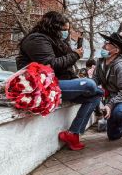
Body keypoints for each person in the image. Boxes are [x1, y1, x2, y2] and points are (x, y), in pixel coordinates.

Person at [16, 11, 103, 151]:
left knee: (96, 94)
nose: (65, 33)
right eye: (63, 30)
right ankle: (73, 133)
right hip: (41, 86)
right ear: (53, 27)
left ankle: (72, 134)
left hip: (56, 84)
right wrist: (75, 55)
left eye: (67, 31)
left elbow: (64, 68)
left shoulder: (56, 41)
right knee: (90, 84)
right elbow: (49, 65)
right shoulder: (36, 40)